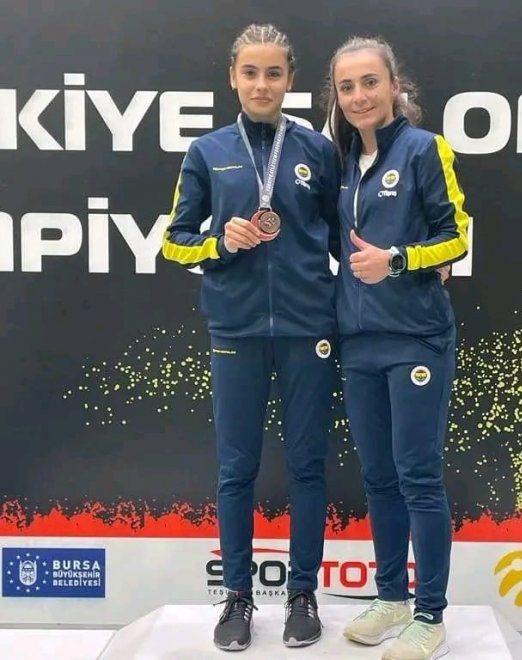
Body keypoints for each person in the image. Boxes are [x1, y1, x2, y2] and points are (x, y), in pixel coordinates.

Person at [161, 24, 340, 652]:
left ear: (291, 80)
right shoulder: (207, 151)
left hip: (307, 328)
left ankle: (302, 593)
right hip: (235, 327)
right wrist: (219, 242)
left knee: (307, 465)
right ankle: (237, 595)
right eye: (250, 73)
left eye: (273, 73)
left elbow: (345, 236)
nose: (262, 85)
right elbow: (175, 240)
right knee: (236, 467)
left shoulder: (317, 150)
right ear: (233, 78)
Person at [324, 36, 469, 660]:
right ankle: (391, 598)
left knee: (418, 476)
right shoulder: (339, 162)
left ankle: (430, 615)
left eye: (369, 82)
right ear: (337, 96)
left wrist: (399, 260)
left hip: (416, 338)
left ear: (393, 86)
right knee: (379, 478)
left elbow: (456, 237)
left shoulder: (424, 149)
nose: (359, 96)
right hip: (358, 342)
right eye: (347, 86)